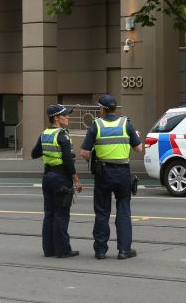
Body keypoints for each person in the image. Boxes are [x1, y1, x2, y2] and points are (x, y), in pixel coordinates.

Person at [81, 94, 143, 260]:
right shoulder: (126, 124)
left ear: (102, 109)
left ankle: (100, 251)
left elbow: (84, 153)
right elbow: (138, 149)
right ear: (115, 108)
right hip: (123, 173)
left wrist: (96, 153)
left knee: (102, 212)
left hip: (103, 173)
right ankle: (124, 250)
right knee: (123, 210)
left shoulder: (96, 126)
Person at [31, 104, 83, 258]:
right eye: (64, 115)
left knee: (49, 214)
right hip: (61, 178)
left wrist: (49, 153)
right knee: (61, 214)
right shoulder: (62, 135)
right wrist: (77, 180)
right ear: (56, 118)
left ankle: (49, 249)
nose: (68, 117)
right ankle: (62, 250)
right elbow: (68, 160)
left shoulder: (44, 134)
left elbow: (34, 154)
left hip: (47, 177)